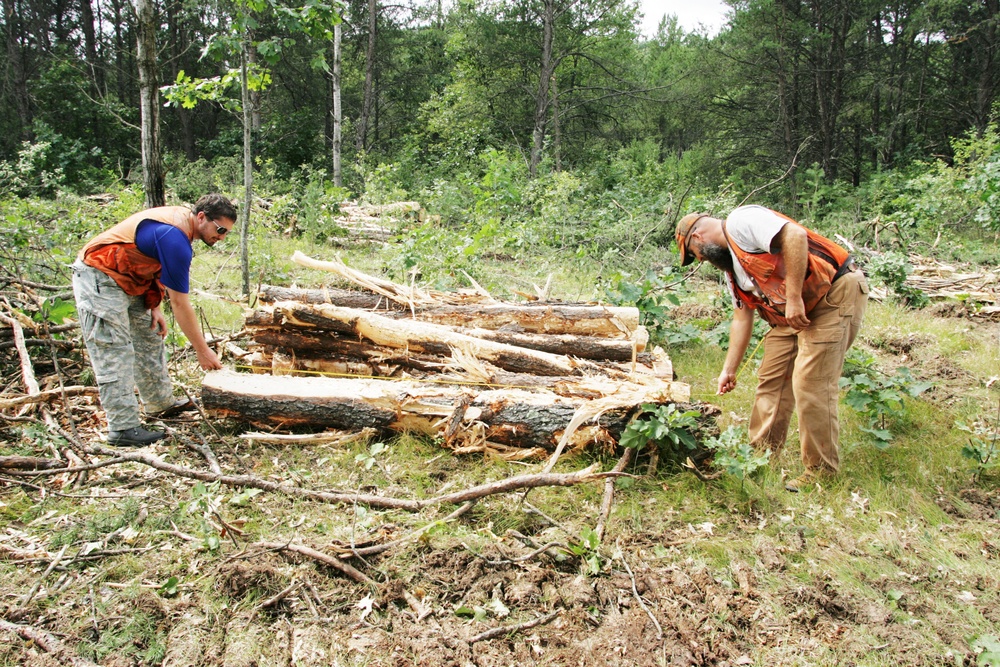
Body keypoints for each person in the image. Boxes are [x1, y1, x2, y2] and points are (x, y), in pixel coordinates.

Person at [675, 205, 869, 491]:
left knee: (810, 383)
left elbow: (794, 235)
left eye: (695, 254)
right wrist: (729, 370)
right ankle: (760, 457)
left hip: (832, 294)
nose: (701, 260)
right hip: (791, 314)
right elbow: (742, 317)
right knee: (771, 380)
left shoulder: (741, 221)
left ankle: (821, 474)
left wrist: (792, 299)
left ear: (698, 236)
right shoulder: (733, 272)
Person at [71, 194, 237, 446]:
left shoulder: (183, 232)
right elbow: (181, 304)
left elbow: (155, 263)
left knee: (149, 336)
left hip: (132, 279)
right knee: (114, 350)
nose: (222, 237)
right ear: (201, 217)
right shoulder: (175, 239)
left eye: (227, 233)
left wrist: (155, 305)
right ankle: (122, 429)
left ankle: (160, 404)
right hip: (99, 276)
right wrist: (202, 351)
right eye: (220, 229)